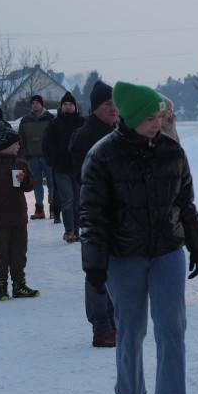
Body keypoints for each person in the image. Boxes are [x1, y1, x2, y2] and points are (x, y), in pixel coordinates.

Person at [80, 82, 198, 394]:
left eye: (160, 116)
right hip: (124, 255)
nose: (157, 124)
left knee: (172, 327)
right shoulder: (101, 156)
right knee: (131, 327)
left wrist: (195, 243)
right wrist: (94, 264)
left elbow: (185, 203)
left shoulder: (172, 151)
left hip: (168, 250)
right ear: (130, 117)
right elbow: (92, 214)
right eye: (150, 118)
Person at [70, 80, 119, 348]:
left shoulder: (119, 131)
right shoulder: (85, 135)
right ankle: (101, 327)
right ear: (95, 108)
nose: (113, 109)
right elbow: (80, 174)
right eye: (107, 104)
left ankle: (113, 322)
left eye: (115, 104)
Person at [0, 124, 39, 301]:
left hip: (19, 217)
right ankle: (1, 286)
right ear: (6, 146)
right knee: (1, 255)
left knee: (19, 252)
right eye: (16, 144)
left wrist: (26, 180)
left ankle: (19, 284)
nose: (18, 146)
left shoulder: (20, 163)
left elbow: (31, 185)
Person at [42, 91, 84, 243]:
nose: (67, 106)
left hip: (78, 168)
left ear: (75, 106)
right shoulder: (54, 124)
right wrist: (52, 160)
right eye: (65, 104)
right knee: (67, 199)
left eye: (70, 104)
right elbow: (46, 144)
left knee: (77, 201)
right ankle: (69, 230)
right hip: (61, 168)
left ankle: (77, 230)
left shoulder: (81, 123)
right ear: (61, 107)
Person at [18, 94, 55, 219]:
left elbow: (55, 138)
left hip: (47, 156)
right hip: (32, 157)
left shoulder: (50, 119)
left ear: (41, 104)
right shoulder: (25, 120)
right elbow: (21, 138)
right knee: (36, 184)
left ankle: (53, 207)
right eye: (33, 103)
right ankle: (39, 209)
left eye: (37, 103)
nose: (35, 105)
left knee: (51, 183)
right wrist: (25, 153)